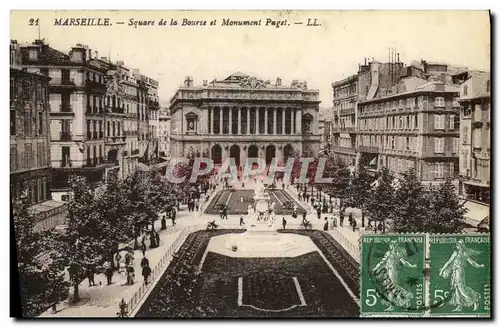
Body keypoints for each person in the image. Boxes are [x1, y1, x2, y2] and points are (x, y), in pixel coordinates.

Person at [439, 240, 485, 312]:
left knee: (461, 288)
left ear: (461, 246)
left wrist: (479, 266)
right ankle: (459, 306)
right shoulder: (455, 253)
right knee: (456, 288)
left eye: (458, 245)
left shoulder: (465, 253)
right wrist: (442, 270)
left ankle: (474, 300)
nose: (457, 246)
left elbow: (472, 262)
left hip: (460, 272)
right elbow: (449, 262)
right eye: (457, 245)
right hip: (455, 272)